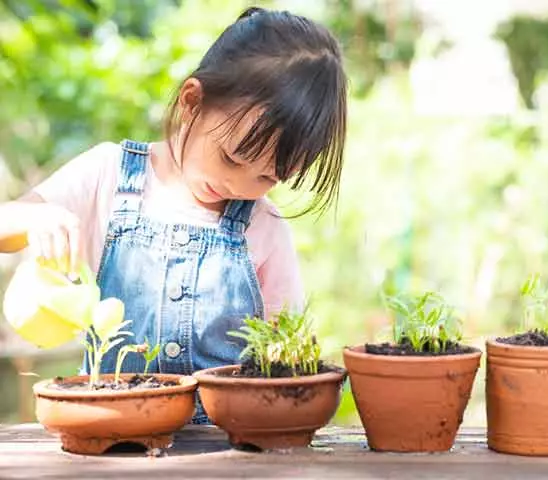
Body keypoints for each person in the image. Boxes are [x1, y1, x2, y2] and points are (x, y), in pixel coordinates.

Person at [0, 6, 347, 423]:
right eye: (232, 158)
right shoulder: (108, 174)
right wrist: (35, 219)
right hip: (109, 429)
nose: (240, 186)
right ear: (192, 102)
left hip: (222, 448)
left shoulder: (263, 226)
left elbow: (287, 349)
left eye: (268, 177)